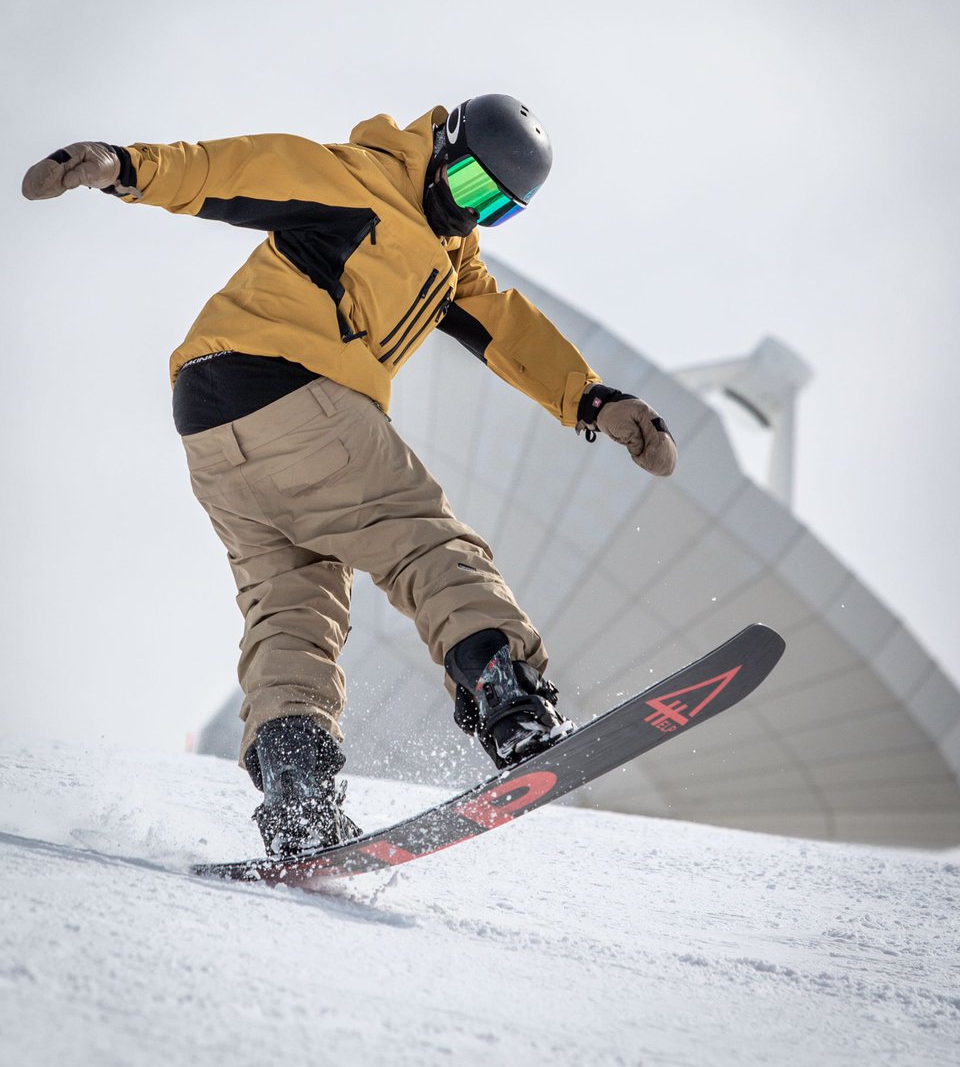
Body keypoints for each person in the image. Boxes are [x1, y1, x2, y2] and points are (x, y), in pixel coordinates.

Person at [21, 95, 677, 856]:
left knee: (292, 607)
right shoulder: (360, 181)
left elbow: (507, 327)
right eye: (468, 187)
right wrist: (121, 165)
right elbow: (238, 168)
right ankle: (512, 703)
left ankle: (298, 790)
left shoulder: (446, 258)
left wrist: (594, 399)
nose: (469, 214)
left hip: (211, 426)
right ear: (442, 148)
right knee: (424, 544)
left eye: (493, 209)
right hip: (288, 387)